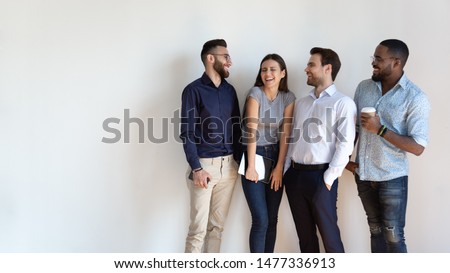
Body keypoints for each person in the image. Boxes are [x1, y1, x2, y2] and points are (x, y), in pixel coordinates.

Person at [346, 39, 430, 253]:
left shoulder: (415, 97)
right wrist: (345, 160)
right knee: (375, 232)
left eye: (379, 59)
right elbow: (355, 128)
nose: (373, 62)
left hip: (392, 178)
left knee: (394, 237)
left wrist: (381, 129)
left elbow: (418, 146)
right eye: (373, 58)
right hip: (364, 176)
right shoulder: (364, 87)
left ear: (396, 62)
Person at [283, 47, 356, 253]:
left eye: (311, 64)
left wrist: (328, 178)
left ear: (328, 68)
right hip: (295, 177)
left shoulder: (343, 103)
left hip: (321, 177)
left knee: (330, 238)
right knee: (305, 239)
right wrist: (288, 169)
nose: (306, 69)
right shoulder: (301, 103)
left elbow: (345, 144)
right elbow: (293, 138)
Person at [180, 39, 242, 253]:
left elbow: (237, 130)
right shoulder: (193, 91)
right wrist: (196, 168)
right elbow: (186, 133)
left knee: (217, 229)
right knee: (197, 231)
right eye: (226, 57)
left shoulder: (230, 91)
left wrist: (242, 164)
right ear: (210, 58)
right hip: (204, 168)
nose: (230, 62)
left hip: (229, 168)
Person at [241, 54, 296, 253]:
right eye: (264, 69)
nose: (268, 73)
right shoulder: (255, 93)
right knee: (261, 219)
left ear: (283, 73)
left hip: (275, 156)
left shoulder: (288, 98)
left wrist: (280, 167)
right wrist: (251, 166)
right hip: (254, 154)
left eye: (273, 69)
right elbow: (251, 130)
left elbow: (285, 133)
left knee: (272, 219)